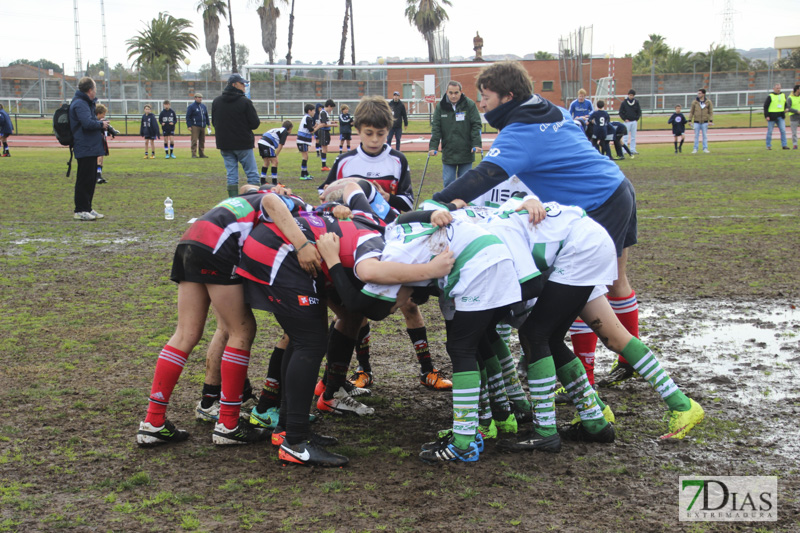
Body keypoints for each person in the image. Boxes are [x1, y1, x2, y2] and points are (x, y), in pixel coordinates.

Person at [431, 61, 644, 389]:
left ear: (508, 96)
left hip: (597, 203)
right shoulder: (551, 108)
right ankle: (628, 361)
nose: (482, 103)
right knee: (616, 283)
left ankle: (584, 377)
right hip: (616, 186)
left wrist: (439, 202)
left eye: (486, 96)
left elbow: (484, 175)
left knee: (585, 290)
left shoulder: (520, 131)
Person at [136, 189, 274, 447]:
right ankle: (229, 425)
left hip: (191, 240)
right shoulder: (282, 203)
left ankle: (153, 422)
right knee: (241, 330)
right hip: (217, 246)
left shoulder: (250, 197)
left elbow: (246, 189)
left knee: (185, 333)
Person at [212, 73, 262, 197]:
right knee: (252, 174)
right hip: (243, 143)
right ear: (234, 85)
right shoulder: (245, 102)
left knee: (231, 175)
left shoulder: (217, 101)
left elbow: (214, 122)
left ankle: (233, 201)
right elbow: (255, 123)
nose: (244, 86)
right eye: (242, 83)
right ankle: (253, 201)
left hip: (224, 143)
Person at [428, 80, 483, 188]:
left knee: (466, 183)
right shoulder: (440, 106)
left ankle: (464, 203)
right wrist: (433, 146)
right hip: (449, 152)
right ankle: (449, 203)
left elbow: (476, 124)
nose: (453, 96)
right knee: (449, 182)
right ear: (447, 92)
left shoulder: (469, 104)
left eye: (456, 93)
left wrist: (476, 144)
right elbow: (436, 128)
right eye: (451, 93)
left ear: (461, 92)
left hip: (466, 152)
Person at [69, 76, 109, 221]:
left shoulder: (87, 103)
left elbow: (90, 121)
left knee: (91, 179)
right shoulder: (80, 104)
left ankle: (87, 207)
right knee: (84, 179)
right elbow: (87, 123)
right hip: (84, 146)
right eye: (95, 88)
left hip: (91, 146)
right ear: (90, 90)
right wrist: (101, 125)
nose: (96, 91)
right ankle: (80, 209)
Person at [257, 120, 293, 186]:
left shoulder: (277, 129)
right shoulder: (284, 132)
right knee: (275, 162)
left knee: (266, 162)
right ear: (290, 128)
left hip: (261, 142)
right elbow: (281, 145)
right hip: (267, 143)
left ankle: (262, 181)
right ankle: (274, 182)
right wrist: (276, 155)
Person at [297, 103, 322, 181]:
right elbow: (311, 131)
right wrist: (319, 126)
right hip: (302, 140)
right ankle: (302, 174)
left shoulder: (307, 118)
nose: (314, 112)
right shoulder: (308, 118)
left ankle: (306, 173)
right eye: (313, 110)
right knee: (305, 157)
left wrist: (314, 126)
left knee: (306, 157)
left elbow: (308, 128)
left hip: (303, 140)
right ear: (309, 111)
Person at [764, 83, 789, 151]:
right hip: (772, 117)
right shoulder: (770, 96)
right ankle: (768, 145)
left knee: (783, 131)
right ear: (774, 89)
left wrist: (786, 108)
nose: (778, 89)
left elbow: (785, 104)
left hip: (780, 116)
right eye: (777, 88)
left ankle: (784, 145)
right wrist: (766, 116)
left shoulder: (783, 95)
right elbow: (766, 106)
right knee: (770, 131)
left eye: (779, 88)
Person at [688, 88, 713, 154]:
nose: (698, 94)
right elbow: (691, 112)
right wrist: (689, 120)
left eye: (700, 93)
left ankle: (705, 148)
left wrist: (710, 120)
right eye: (698, 93)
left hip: (704, 121)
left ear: (703, 94)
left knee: (704, 136)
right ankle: (695, 148)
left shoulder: (708, 102)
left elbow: (710, 112)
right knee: (696, 136)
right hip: (696, 121)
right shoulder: (695, 102)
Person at [95, 103, 114, 184]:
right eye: (103, 114)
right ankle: (96, 176)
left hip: (102, 140)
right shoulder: (94, 121)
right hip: (96, 142)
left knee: (101, 159)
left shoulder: (101, 121)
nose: (104, 116)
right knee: (98, 159)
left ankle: (99, 176)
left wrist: (111, 132)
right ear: (99, 113)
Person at [186, 92, 209, 158]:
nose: (200, 99)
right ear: (195, 98)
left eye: (201, 97)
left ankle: (201, 153)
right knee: (194, 140)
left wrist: (208, 124)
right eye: (199, 97)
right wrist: (189, 125)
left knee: (202, 140)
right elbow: (188, 116)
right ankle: (194, 153)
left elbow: (206, 116)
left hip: (202, 126)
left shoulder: (203, 106)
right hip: (195, 125)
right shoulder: (191, 106)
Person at [619, 89, 641, 154]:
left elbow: (639, 111)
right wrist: (624, 119)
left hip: (634, 121)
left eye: (632, 95)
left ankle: (633, 149)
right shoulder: (624, 103)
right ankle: (624, 150)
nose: (631, 96)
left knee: (633, 136)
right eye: (630, 95)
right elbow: (620, 112)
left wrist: (636, 118)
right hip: (627, 122)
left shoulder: (636, 102)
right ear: (628, 95)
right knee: (625, 136)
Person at [318, 99, 337, 171]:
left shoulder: (325, 113)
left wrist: (332, 122)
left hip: (325, 132)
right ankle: (323, 166)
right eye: (331, 108)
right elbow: (324, 124)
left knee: (325, 148)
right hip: (323, 131)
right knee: (324, 148)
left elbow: (326, 121)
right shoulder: (323, 112)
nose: (331, 109)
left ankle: (324, 165)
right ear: (329, 106)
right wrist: (333, 125)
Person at [789, 85, 800, 150]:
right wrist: (797, 111)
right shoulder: (790, 98)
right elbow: (788, 108)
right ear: (797, 90)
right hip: (794, 117)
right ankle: (795, 145)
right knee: (794, 132)